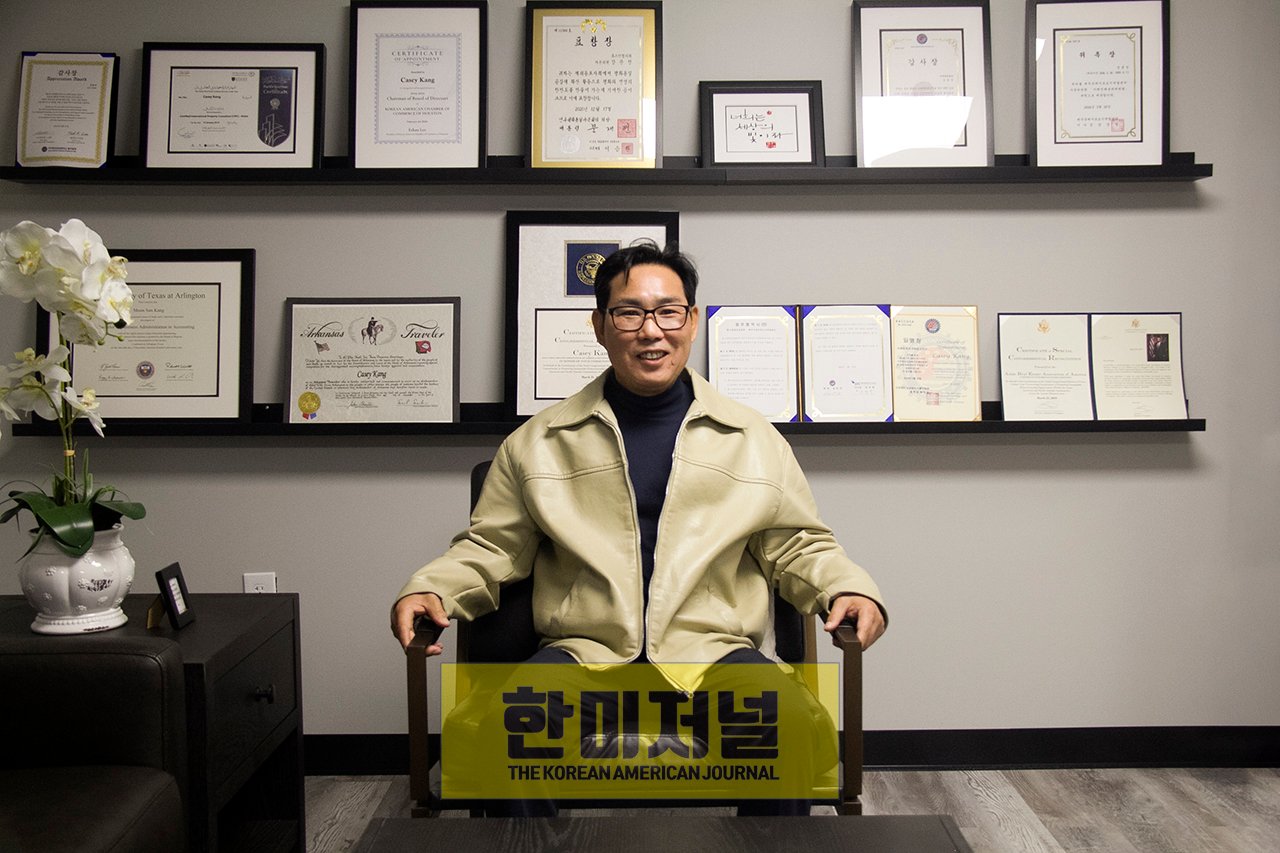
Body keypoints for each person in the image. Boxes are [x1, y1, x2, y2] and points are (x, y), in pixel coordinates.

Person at [391, 240, 886, 814]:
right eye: (629, 313)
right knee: (510, 729)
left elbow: (798, 544)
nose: (651, 331)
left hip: (713, 653)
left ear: (691, 321)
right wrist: (433, 589)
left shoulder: (753, 439)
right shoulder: (538, 442)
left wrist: (846, 588)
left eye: (668, 312)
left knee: (788, 724)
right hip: (586, 655)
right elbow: (491, 546)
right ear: (600, 326)